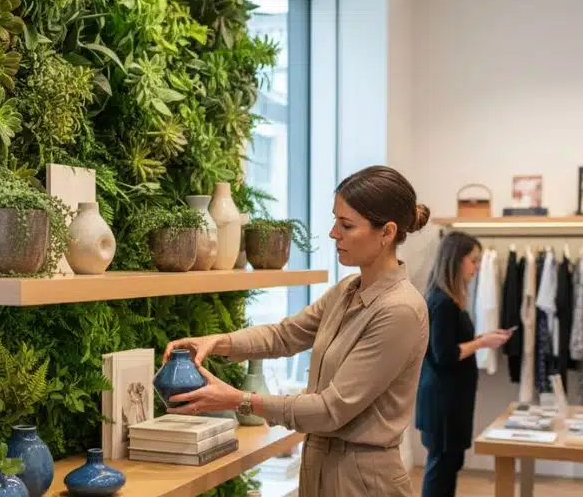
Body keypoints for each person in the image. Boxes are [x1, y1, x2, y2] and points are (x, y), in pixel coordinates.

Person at [163, 165, 430, 497]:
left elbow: (330, 410)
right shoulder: (347, 290)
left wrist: (239, 400)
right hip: (320, 466)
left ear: (387, 232)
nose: (333, 233)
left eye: (346, 225)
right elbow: (285, 335)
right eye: (335, 221)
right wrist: (218, 341)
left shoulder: (400, 310)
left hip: (363, 481)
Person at [415, 231, 513, 497]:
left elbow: (452, 343)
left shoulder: (449, 300)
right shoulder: (442, 302)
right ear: (456, 260)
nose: (477, 267)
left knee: (449, 465)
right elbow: (445, 355)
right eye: (473, 260)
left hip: (451, 400)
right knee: (441, 469)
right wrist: (482, 343)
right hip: (443, 402)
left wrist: (483, 338)